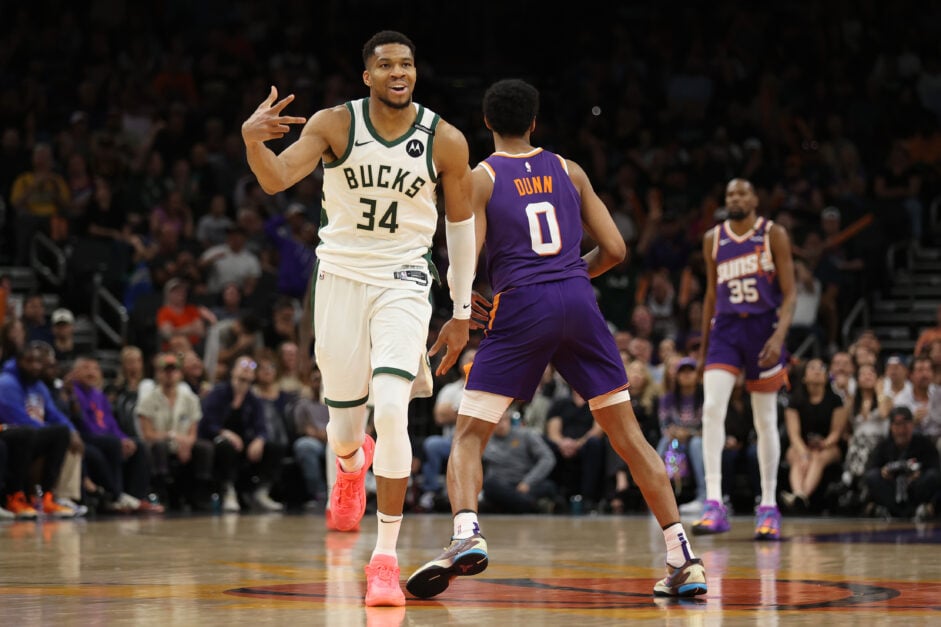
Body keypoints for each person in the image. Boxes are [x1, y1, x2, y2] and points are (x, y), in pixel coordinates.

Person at [406, 79, 705, 600]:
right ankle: (683, 557)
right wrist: (569, 278)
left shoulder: (482, 176)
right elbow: (614, 249)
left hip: (522, 302)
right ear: (535, 122)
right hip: (578, 300)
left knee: (470, 435)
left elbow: (466, 259)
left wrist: (463, 304)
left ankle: (465, 535)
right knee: (629, 438)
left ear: (486, 123)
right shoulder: (570, 169)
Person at [241, 30, 476, 607]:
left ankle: (384, 560)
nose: (399, 72)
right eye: (387, 65)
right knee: (347, 429)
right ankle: (351, 463)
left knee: (393, 410)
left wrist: (463, 311)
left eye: (408, 64)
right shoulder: (333, 125)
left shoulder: (444, 139)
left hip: (404, 280)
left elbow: (461, 230)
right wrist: (251, 140)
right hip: (340, 280)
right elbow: (273, 179)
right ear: (366, 75)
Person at [692, 177, 796, 540]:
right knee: (711, 410)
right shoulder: (714, 239)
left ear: (755, 198)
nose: (734, 197)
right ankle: (714, 502)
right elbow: (709, 295)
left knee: (765, 418)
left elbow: (791, 292)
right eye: (729, 193)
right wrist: (704, 348)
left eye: (741, 192)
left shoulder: (773, 234)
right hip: (726, 330)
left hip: (764, 329)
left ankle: (768, 505)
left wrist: (780, 335)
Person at [864, 406, 941, 520]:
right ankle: (901, 512)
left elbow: (935, 470)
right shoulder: (883, 446)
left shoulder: (924, 444)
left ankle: (915, 510)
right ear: (891, 427)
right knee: (872, 477)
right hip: (891, 489)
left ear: (912, 425)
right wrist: (884, 473)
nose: (901, 430)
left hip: (916, 489)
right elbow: (870, 470)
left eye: (905, 424)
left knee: (932, 477)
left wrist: (917, 475)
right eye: (897, 425)